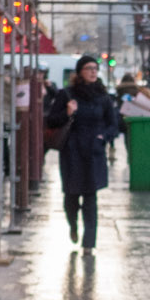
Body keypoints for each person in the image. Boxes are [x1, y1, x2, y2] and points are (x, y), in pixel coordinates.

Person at [44, 55, 120, 250]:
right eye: (88, 68)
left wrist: (104, 137)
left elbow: (114, 124)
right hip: (72, 151)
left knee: (90, 197)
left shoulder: (103, 97)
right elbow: (51, 120)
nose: (93, 71)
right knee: (71, 195)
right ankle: (73, 225)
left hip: (94, 151)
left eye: (95, 68)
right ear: (80, 72)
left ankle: (89, 243)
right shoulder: (67, 94)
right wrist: (67, 113)